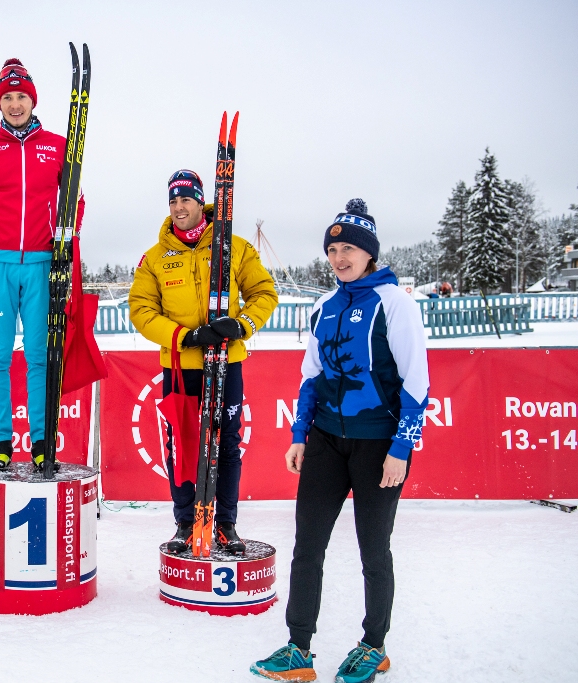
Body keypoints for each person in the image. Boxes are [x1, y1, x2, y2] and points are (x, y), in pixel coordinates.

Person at [251, 199, 429, 683]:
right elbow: (312, 378)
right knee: (307, 546)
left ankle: (374, 645)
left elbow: (417, 384)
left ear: (369, 252)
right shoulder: (323, 307)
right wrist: (299, 435)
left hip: (377, 446)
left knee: (374, 550)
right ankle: (297, 649)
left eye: (348, 248)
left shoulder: (395, 303)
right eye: (332, 249)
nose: (338, 258)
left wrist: (401, 448)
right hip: (327, 442)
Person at [129, 170, 278, 555]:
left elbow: (264, 292)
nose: (179, 208)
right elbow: (141, 310)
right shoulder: (156, 258)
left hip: (226, 363)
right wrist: (186, 337)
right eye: (173, 201)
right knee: (181, 445)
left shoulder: (235, 248)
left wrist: (242, 324)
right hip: (181, 367)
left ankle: (225, 523)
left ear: (201, 203)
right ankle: (185, 522)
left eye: (186, 200)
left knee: (226, 443)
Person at [0, 58, 85, 472]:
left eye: (21, 96)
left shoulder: (58, 146)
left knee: (40, 356)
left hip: (43, 264)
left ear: (32, 99)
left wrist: (66, 238)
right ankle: (3, 442)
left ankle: (42, 441)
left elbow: (75, 202)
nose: (14, 104)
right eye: (7, 97)